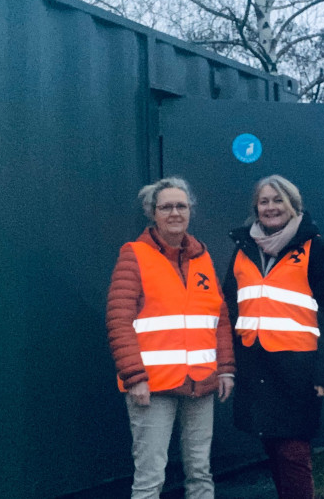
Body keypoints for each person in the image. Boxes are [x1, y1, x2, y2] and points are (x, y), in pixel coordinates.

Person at [106, 177, 235, 499]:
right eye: (166, 207)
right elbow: (119, 320)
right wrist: (134, 376)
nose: (174, 212)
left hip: (202, 382)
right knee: (150, 477)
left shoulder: (201, 257)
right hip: (152, 385)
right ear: (153, 213)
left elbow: (218, 318)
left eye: (181, 205)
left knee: (201, 471)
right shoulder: (134, 255)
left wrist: (227, 368)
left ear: (190, 210)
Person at [222, 174, 324, 499]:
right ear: (256, 208)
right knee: (273, 448)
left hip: (299, 371)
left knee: (293, 452)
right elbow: (229, 310)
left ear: (294, 205)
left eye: (278, 200)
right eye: (264, 201)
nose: (271, 207)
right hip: (256, 367)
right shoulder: (242, 252)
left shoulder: (316, 250)